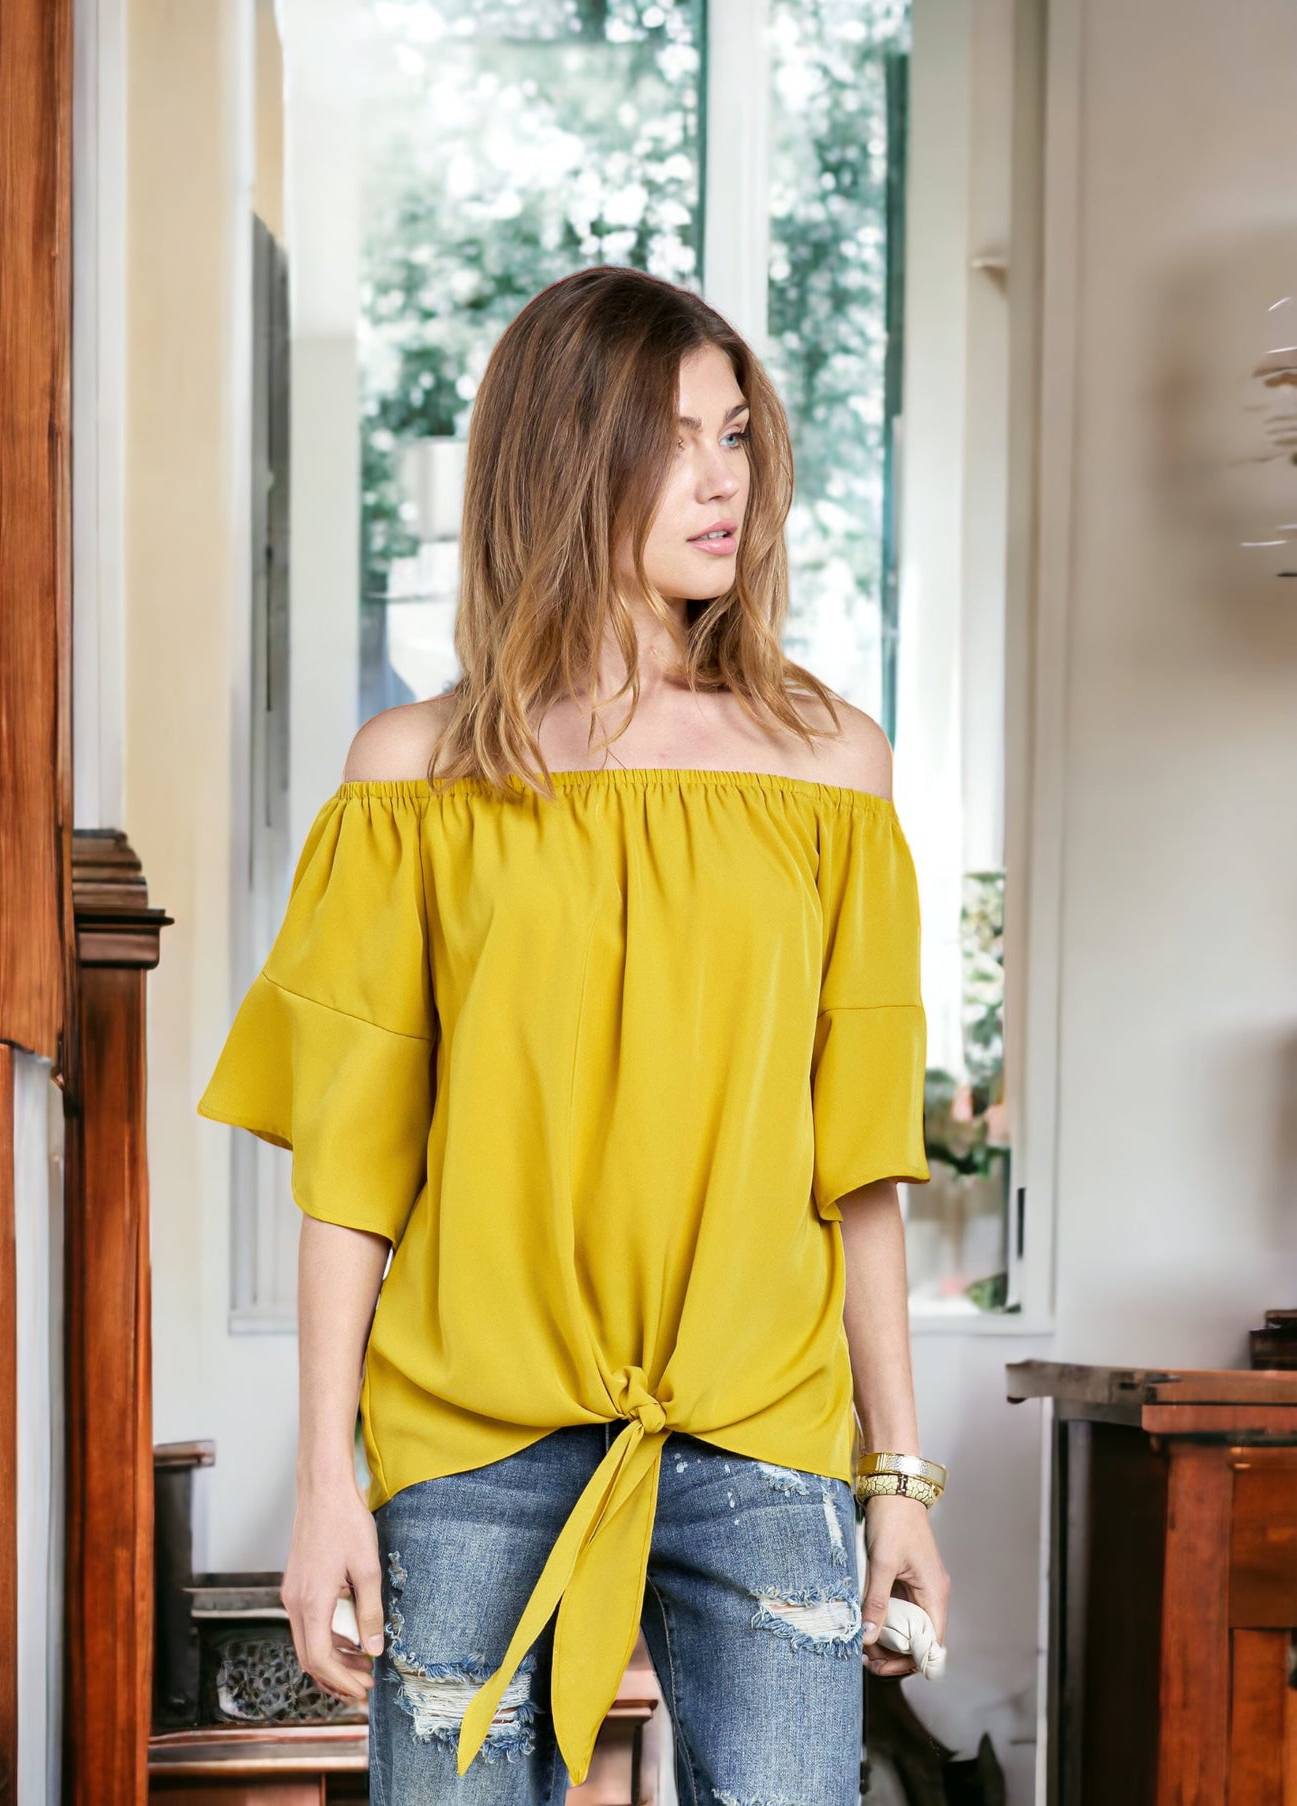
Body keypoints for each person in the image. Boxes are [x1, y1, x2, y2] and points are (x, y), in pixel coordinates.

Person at [198, 264, 950, 1806]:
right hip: (471, 1438)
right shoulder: (411, 777)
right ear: (564, 457)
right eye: (674, 440)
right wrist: (325, 1481)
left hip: (760, 1434)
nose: (723, 479)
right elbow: (352, 1172)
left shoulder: (831, 769)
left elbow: (859, 1158)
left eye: (735, 435)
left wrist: (898, 1477)